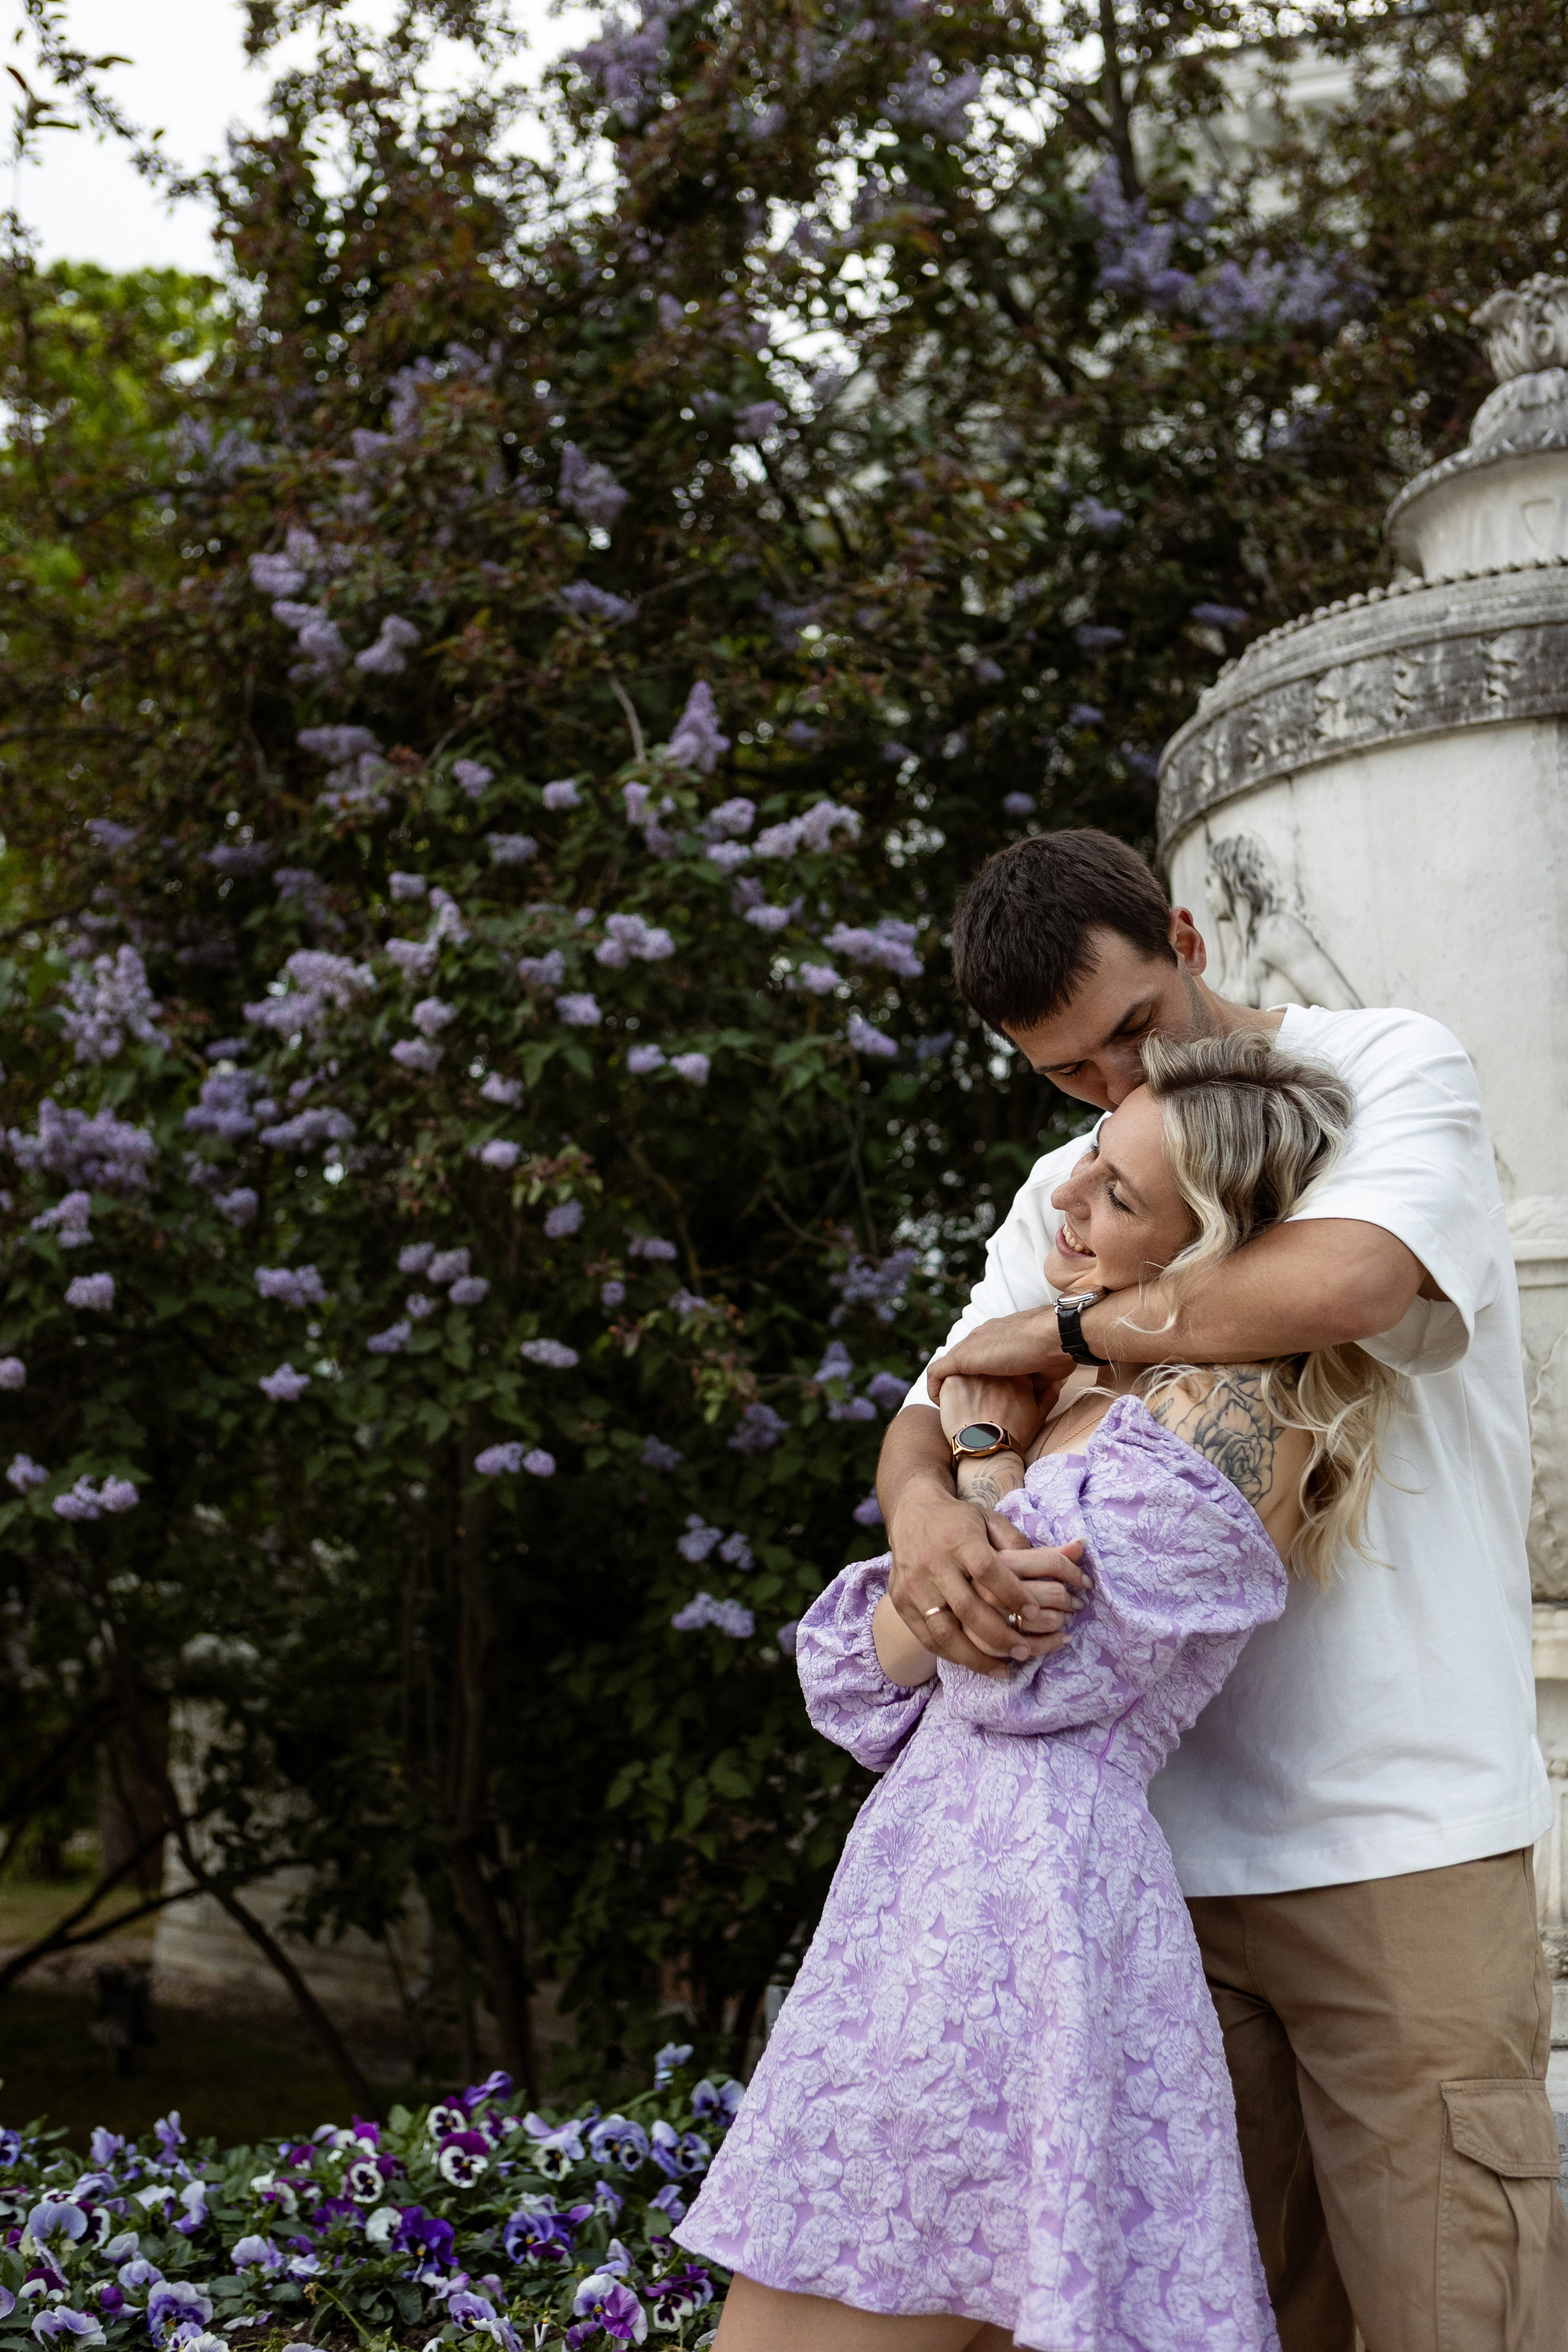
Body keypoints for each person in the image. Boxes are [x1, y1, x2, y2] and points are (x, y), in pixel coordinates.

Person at [875, 829, 1566, 2350]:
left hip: (1397, 1837)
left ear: (1185, 937)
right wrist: (925, 1513)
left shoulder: (1385, 1066)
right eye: (1066, 1072)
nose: (1115, 1085)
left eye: (1132, 1026)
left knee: (1464, 2313)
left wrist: (1070, 1330)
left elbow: (1349, 1283)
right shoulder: (1069, 1183)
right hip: (1145, 1863)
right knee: (1229, 2320)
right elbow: (943, 1395)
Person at [675, 1031, 1393, 2351]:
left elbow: (1015, 1676)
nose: (1064, 1199)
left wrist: (983, 1471)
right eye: (1086, 1166)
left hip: (1027, 1913)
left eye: (1116, 1194)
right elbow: (851, 1678)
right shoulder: (1067, 1389)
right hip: (916, 1899)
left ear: (1209, 1242)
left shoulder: (1230, 1422)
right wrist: (952, 1554)